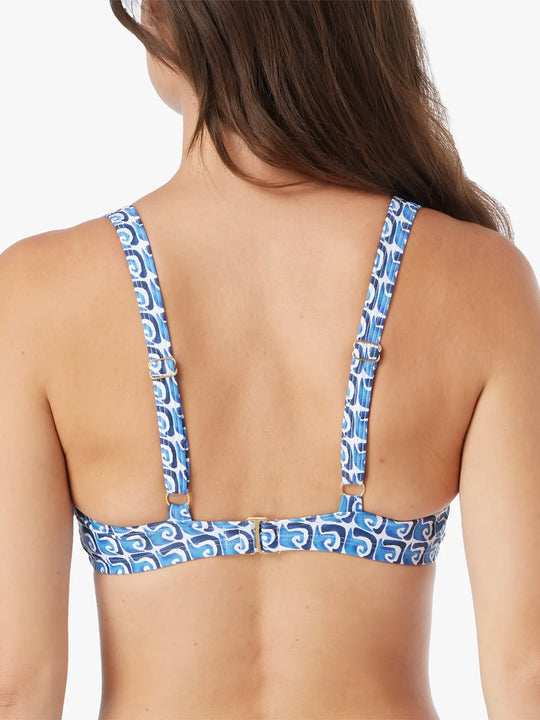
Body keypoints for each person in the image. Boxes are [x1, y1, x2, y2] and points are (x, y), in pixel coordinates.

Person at [1, 1, 539, 718]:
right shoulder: (480, 280)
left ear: (171, 19)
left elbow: (16, 680)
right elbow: (527, 668)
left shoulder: (41, 292)